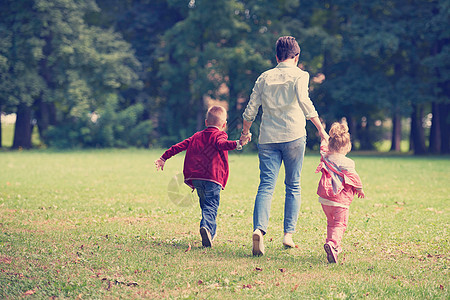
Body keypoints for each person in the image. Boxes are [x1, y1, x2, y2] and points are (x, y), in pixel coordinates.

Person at [240, 36, 329, 256]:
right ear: (296, 56)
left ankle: (259, 230)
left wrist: (245, 132)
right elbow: (304, 102)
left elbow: (251, 109)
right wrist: (320, 129)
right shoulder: (300, 75)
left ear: (277, 56)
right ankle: (288, 234)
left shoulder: (264, 77)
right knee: (293, 185)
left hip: (268, 138)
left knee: (266, 186)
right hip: (294, 136)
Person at [155, 106, 247, 247]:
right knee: (211, 205)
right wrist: (238, 144)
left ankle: (210, 232)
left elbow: (178, 146)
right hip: (213, 177)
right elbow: (222, 145)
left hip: (197, 178)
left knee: (205, 204)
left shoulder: (196, 136)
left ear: (205, 122)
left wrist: (163, 157)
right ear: (224, 125)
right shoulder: (219, 135)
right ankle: (207, 228)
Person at [315, 122, 365, 263]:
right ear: (347, 146)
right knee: (340, 224)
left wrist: (323, 136)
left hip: (325, 200)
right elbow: (354, 177)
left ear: (331, 145)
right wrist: (359, 189)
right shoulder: (347, 162)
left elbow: (323, 146)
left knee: (331, 223)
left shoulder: (326, 156)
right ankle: (333, 244)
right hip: (339, 200)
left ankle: (331, 246)